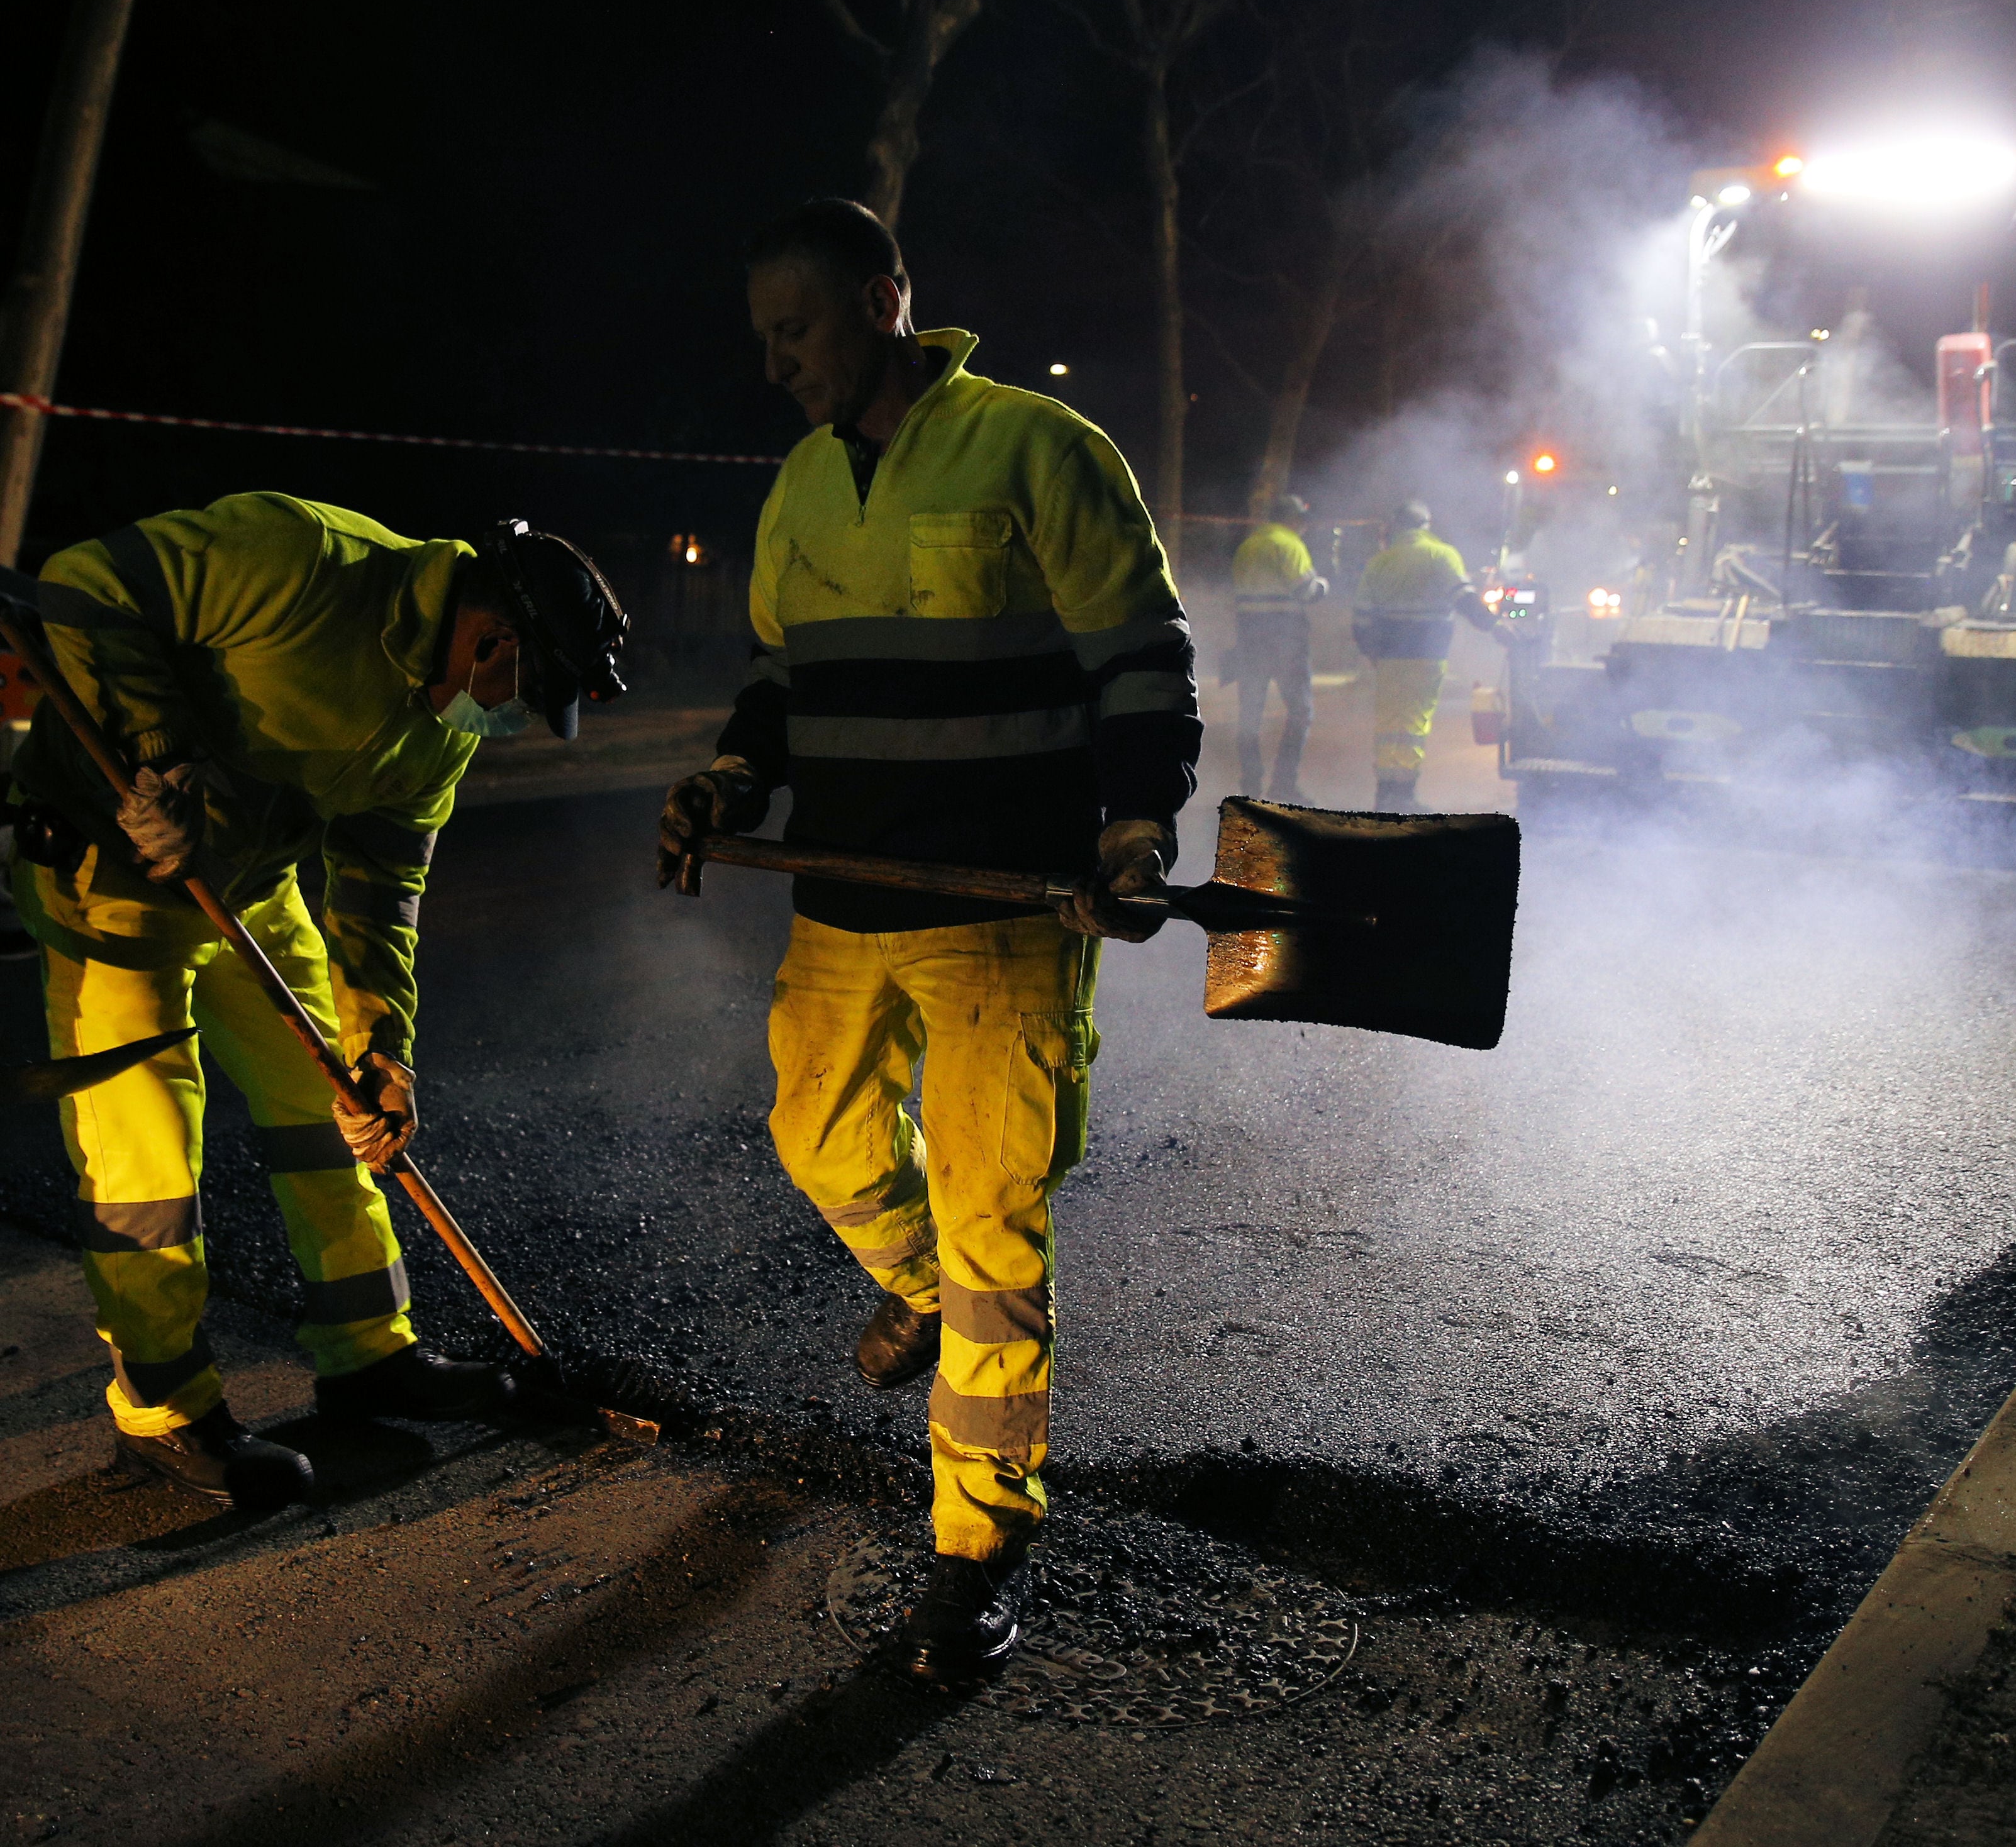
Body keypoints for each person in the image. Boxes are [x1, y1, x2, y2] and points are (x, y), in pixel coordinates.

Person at [655, 198, 1200, 1683]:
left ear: (888, 299)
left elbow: (1138, 653)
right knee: (816, 1133)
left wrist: (1131, 827)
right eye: (763, 336)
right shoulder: (795, 487)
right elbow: (781, 675)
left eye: (801, 327)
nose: (777, 361)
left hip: (997, 916)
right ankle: (906, 1281)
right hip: (841, 904)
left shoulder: (1034, 448)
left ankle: (976, 1550)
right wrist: (724, 777)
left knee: (992, 1236)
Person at [6, 496, 627, 1508]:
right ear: (492, 636)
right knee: (146, 1159)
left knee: (332, 1106)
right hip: (109, 868)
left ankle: (366, 1353)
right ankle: (164, 1410)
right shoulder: (302, 560)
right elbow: (84, 582)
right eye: (524, 689)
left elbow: (383, 891)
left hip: (250, 886)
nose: (512, 718)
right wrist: (157, 751)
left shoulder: (443, 735)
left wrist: (383, 1045)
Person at [1351, 500, 1510, 811]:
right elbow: (1464, 599)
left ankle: (1385, 795)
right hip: (1426, 654)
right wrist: (1494, 626)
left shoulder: (1380, 562)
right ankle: (1404, 795)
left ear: (1396, 528)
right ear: (1426, 525)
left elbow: (1361, 619)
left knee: (1388, 724)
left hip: (1388, 658)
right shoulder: (1441, 554)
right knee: (1414, 723)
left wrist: (1371, 652)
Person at [1229, 492, 1325, 799]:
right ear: (1293, 520)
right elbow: (1307, 592)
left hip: (1249, 637)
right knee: (1301, 712)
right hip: (1285, 638)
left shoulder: (1248, 546)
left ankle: (1251, 783)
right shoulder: (1290, 544)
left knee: (1250, 714)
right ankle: (1284, 784)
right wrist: (1324, 585)